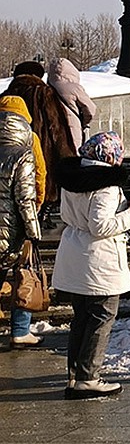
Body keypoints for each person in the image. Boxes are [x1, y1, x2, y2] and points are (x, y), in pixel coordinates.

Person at [51, 132, 130, 399]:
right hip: (98, 260)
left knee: (81, 318)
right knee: (102, 316)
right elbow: (100, 225)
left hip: (74, 253)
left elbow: (70, 215)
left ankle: (74, 375)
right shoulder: (106, 185)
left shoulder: (72, 179)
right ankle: (88, 378)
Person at [4, 61, 75, 218]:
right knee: (41, 181)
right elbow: (57, 126)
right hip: (41, 152)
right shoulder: (44, 93)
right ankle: (42, 214)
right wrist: (68, 157)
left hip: (7, 159)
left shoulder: (6, 96)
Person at [0, 95, 41, 348]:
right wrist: (33, 231)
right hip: (10, 230)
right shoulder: (22, 153)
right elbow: (25, 198)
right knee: (21, 276)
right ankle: (20, 330)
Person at [46, 57, 96, 155]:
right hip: (72, 129)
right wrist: (84, 121)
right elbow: (91, 109)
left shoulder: (46, 89)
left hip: (51, 130)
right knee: (73, 157)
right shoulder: (74, 88)